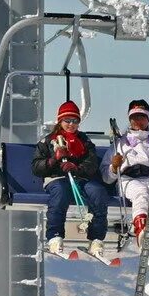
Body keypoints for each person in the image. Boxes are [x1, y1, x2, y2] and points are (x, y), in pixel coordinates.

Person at [31, 100, 110, 257]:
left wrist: (77, 168)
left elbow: (91, 163)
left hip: (81, 178)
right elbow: (36, 167)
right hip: (57, 178)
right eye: (67, 120)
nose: (71, 124)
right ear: (60, 121)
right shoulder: (48, 141)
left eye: (74, 121)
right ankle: (55, 237)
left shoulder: (84, 142)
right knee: (60, 193)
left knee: (98, 193)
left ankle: (96, 239)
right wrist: (53, 161)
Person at [102, 99, 149, 246]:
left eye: (141, 117)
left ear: (148, 119)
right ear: (130, 119)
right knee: (140, 193)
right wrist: (114, 167)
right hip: (128, 180)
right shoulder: (120, 143)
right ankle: (141, 228)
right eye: (134, 117)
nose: (138, 121)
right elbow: (106, 176)